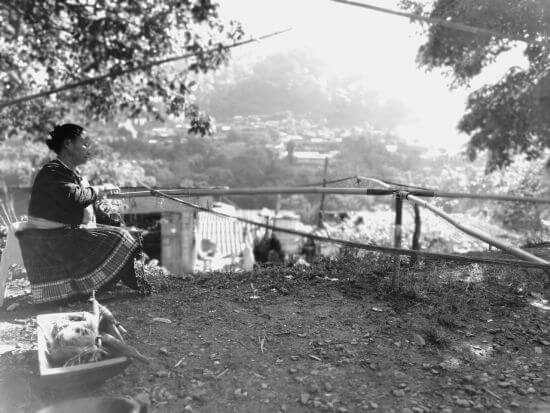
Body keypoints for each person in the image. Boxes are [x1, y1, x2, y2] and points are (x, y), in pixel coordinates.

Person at [16, 123, 149, 304]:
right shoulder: (52, 171)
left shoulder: (69, 173)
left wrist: (107, 210)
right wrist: (99, 190)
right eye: (84, 144)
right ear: (68, 144)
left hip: (61, 234)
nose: (88, 149)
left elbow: (79, 205)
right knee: (121, 237)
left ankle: (101, 284)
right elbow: (76, 198)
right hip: (48, 239)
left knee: (120, 232)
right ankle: (92, 286)